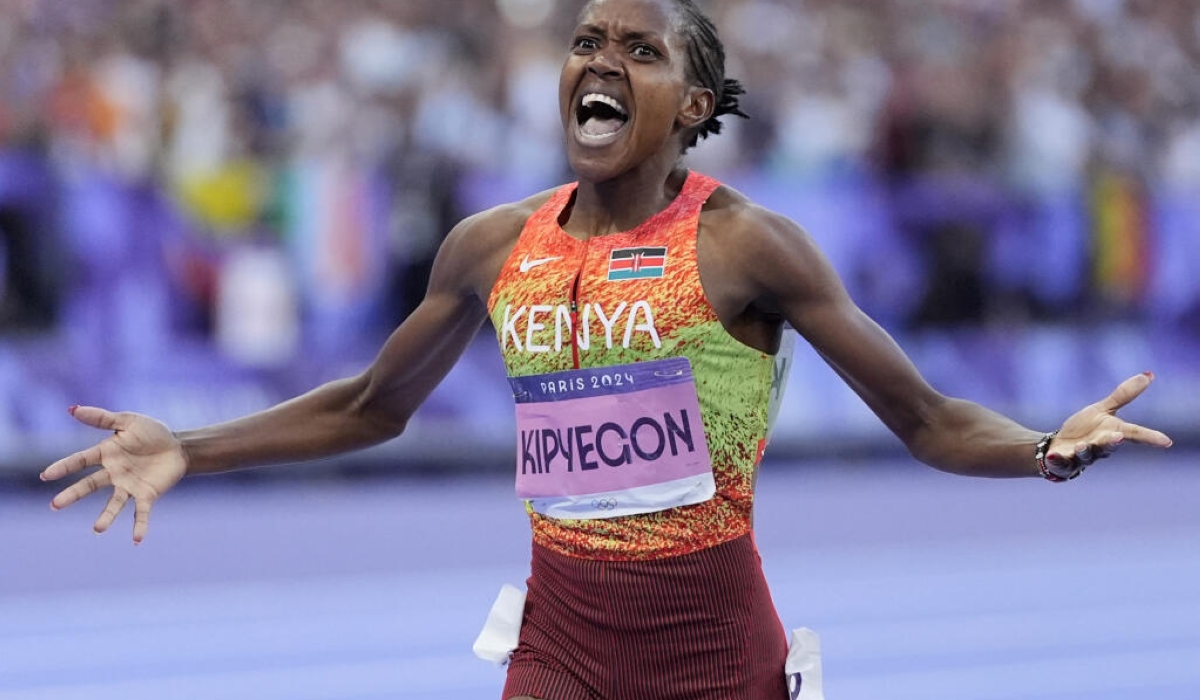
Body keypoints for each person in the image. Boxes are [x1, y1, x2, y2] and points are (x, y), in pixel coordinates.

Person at [41, 0, 1174, 698]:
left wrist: (1041, 447)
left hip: (717, 656)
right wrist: (191, 444)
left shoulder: (747, 248)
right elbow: (372, 405)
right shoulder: (492, 245)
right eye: (586, 41)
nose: (601, 61)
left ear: (693, 104)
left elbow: (925, 419)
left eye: (639, 48)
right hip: (561, 651)